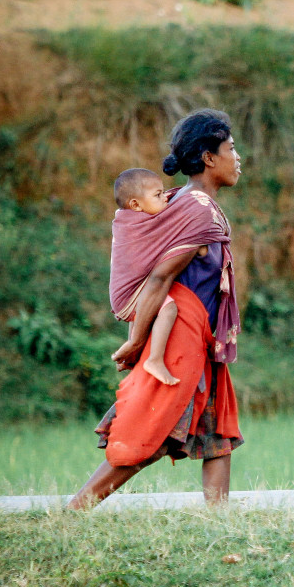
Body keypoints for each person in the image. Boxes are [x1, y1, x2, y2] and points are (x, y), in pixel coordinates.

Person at [68, 109, 244, 510]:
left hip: (199, 336)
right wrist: (135, 341)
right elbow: (161, 278)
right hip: (182, 332)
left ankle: (221, 522)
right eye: (231, 149)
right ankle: (77, 509)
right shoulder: (195, 208)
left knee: (216, 433)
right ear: (208, 158)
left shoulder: (184, 203)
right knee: (154, 427)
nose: (239, 158)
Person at [111, 167, 183, 386]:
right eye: (158, 195)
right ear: (135, 205)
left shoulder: (124, 218)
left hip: (127, 292)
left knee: (143, 310)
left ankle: (131, 356)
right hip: (129, 294)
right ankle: (155, 359)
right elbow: (173, 226)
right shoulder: (140, 224)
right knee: (168, 308)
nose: (165, 200)